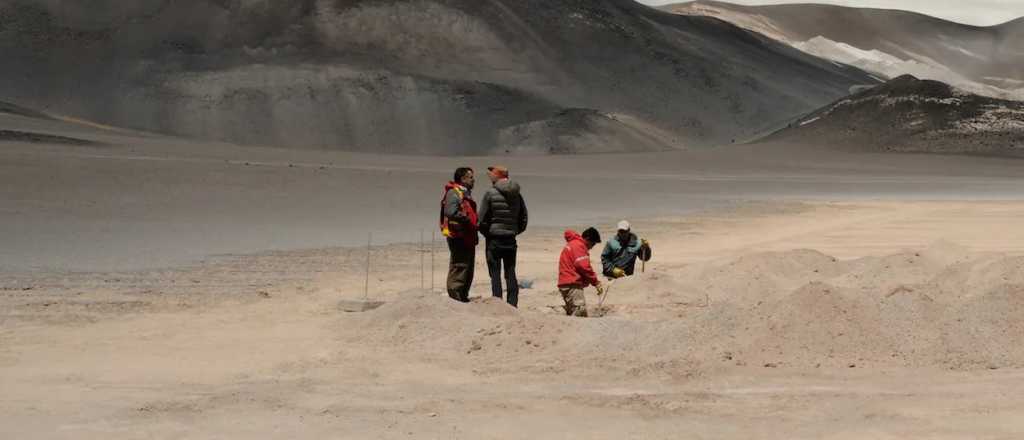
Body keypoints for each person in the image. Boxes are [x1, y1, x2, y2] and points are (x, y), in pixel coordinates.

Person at [477, 165, 528, 307]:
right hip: (510, 239)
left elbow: (481, 219)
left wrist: (487, 233)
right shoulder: (517, 194)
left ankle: (497, 303)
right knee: (510, 271)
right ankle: (512, 304)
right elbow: (523, 217)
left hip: (494, 239)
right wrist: (515, 231)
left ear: (496, 177)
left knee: (495, 273)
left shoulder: (490, 193)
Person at [440, 167, 479, 302]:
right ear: (462, 179)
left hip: (467, 236)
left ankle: (462, 296)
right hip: (459, 237)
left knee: (467, 267)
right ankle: (455, 297)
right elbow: (450, 211)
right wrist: (467, 219)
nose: (473, 180)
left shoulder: (464, 193)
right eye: (471, 177)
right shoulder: (454, 192)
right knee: (460, 266)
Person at [557, 227, 604, 317]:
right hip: (571, 284)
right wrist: (596, 282)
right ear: (587, 239)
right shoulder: (579, 246)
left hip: (565, 283)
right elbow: (584, 267)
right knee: (580, 312)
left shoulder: (573, 244)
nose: (591, 247)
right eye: (593, 244)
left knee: (573, 311)